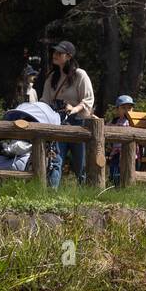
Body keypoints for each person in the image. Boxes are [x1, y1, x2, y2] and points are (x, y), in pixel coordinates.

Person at [40, 41, 94, 187]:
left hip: (78, 122)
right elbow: (45, 100)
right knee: (55, 160)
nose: (55, 55)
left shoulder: (80, 74)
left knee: (80, 164)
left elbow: (88, 100)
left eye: (59, 53)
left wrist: (74, 109)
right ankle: (52, 194)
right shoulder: (51, 77)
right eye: (54, 52)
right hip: (58, 121)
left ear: (69, 56)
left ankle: (85, 195)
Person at [107, 95, 135, 184]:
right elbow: (106, 129)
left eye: (129, 108)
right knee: (115, 170)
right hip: (116, 152)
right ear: (117, 109)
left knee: (128, 170)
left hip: (131, 152)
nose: (127, 111)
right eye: (123, 108)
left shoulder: (133, 122)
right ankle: (115, 185)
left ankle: (127, 186)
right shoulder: (114, 121)